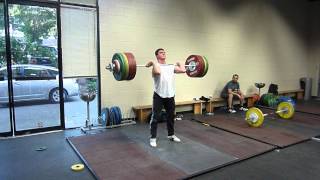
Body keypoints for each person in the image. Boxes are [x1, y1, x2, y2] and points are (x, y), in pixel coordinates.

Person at [145, 48, 186, 147]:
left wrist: (179, 62)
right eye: (161, 52)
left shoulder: (170, 67)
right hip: (159, 95)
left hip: (170, 95)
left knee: (171, 116)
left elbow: (184, 70)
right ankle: (153, 138)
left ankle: (171, 135)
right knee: (155, 117)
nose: (163, 53)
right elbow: (158, 72)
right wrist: (153, 62)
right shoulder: (155, 67)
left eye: (164, 52)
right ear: (157, 56)